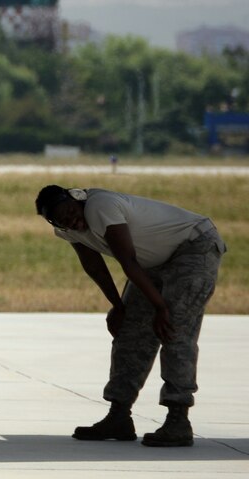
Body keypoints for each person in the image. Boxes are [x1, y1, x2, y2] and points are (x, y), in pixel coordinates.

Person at [35, 184, 228, 447]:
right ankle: (119, 416)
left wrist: (161, 308)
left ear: (77, 199)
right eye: (60, 219)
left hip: (193, 247)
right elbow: (95, 266)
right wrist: (118, 306)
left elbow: (127, 260)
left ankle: (178, 419)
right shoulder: (68, 230)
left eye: (69, 211)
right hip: (150, 262)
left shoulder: (100, 205)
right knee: (129, 333)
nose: (69, 220)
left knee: (173, 330)